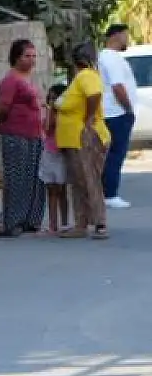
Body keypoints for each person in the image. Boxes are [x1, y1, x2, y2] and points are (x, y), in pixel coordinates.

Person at [54, 43, 112, 239]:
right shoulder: (79, 79)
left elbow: (94, 95)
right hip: (74, 139)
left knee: (89, 180)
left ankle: (99, 223)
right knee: (79, 183)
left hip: (84, 137)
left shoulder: (86, 75)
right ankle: (81, 223)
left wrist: (88, 118)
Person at [0, 38, 47, 235]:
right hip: (16, 136)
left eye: (34, 56)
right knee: (17, 178)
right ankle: (13, 222)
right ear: (16, 57)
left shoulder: (29, 79)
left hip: (35, 135)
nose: (31, 60)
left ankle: (31, 220)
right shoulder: (11, 80)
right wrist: (5, 124)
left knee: (36, 178)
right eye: (27, 56)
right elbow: (1, 109)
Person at [98, 23, 136, 209]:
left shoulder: (106, 57)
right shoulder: (111, 58)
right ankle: (110, 194)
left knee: (110, 155)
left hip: (112, 113)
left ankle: (105, 193)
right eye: (125, 35)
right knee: (116, 154)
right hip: (117, 113)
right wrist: (128, 108)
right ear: (116, 36)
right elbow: (117, 86)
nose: (127, 39)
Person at [39, 84, 70, 235]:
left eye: (55, 98)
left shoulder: (65, 114)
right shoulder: (48, 114)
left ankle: (64, 223)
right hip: (49, 153)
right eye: (50, 98)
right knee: (51, 190)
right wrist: (50, 110)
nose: (52, 101)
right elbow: (47, 128)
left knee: (62, 190)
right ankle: (53, 224)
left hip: (62, 154)